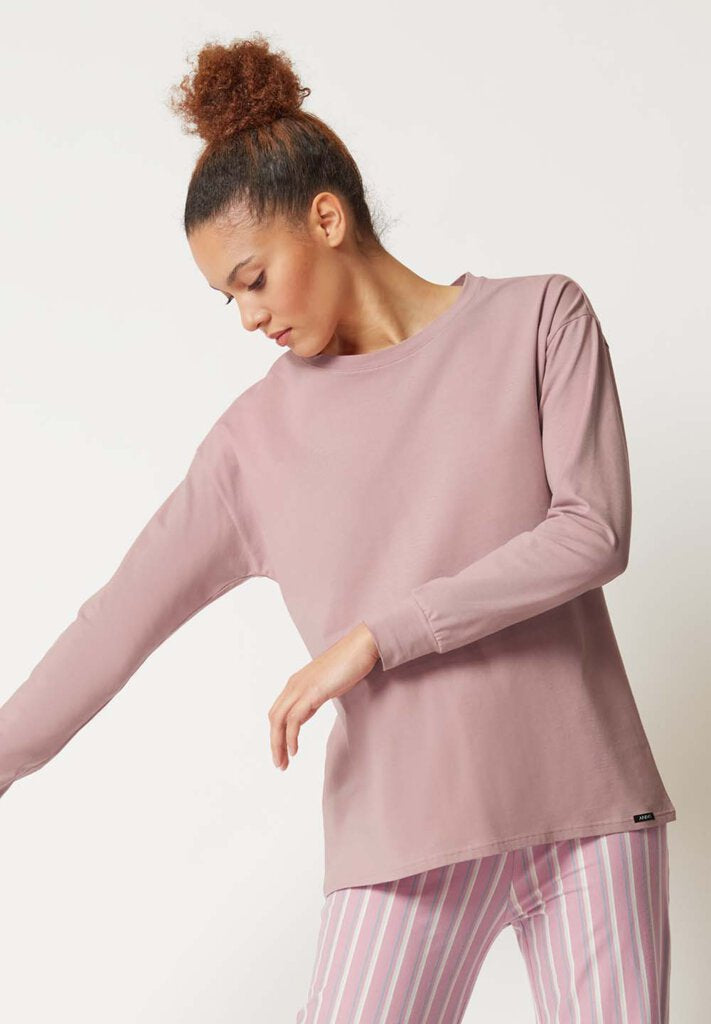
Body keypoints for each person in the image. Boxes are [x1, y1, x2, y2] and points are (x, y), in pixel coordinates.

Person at [0, 32, 676, 1023]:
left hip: (593, 816)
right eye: (226, 299)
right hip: (400, 845)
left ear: (326, 217)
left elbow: (592, 533)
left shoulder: (539, 320)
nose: (246, 318)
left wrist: (373, 638)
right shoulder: (252, 447)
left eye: (253, 279)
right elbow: (115, 623)